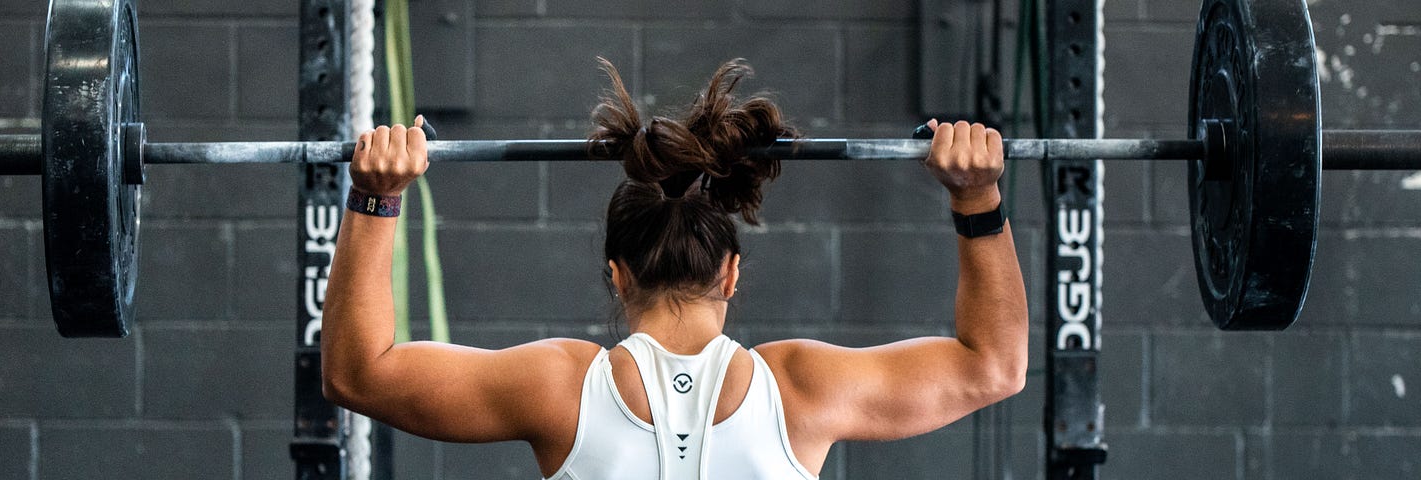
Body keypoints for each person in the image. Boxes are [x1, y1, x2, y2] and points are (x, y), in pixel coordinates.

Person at [321, 58, 1027, 479]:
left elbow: (358, 373)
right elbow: (994, 366)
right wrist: (978, 198)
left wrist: (375, 198)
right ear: (731, 274)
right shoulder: (804, 389)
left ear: (617, 274)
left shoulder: (558, 388)